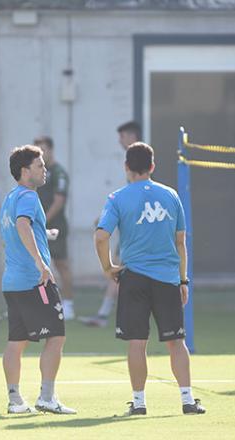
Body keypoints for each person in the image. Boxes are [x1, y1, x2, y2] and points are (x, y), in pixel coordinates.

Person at [95, 142, 205, 416]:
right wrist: (183, 280)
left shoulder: (117, 198)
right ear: (153, 166)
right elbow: (181, 242)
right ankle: (187, 400)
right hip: (167, 279)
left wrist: (108, 267)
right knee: (176, 342)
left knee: (137, 342)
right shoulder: (171, 196)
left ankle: (140, 402)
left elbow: (101, 236)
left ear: (126, 167)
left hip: (134, 279)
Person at [1, 145, 76, 414]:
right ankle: (47, 397)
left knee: (16, 342)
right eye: (40, 166)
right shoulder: (29, 197)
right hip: (35, 281)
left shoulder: (10, 198)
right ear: (25, 171)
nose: (45, 170)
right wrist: (41, 263)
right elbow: (23, 226)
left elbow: (21, 229)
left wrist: (45, 234)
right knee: (56, 337)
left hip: (12, 282)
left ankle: (15, 400)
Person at [79, 121, 142, 328]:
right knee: (120, 269)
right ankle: (107, 313)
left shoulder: (140, 161)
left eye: (122, 136)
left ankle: (108, 314)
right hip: (132, 228)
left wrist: (112, 219)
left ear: (132, 136)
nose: (119, 141)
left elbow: (138, 197)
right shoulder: (133, 161)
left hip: (136, 229)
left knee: (119, 269)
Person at [34, 136, 75, 320]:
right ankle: (43, 303)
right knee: (38, 266)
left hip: (55, 227)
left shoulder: (58, 172)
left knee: (61, 264)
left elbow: (59, 201)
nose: (41, 155)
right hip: (38, 226)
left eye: (43, 151)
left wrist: (43, 221)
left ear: (51, 150)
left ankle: (68, 304)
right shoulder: (37, 173)